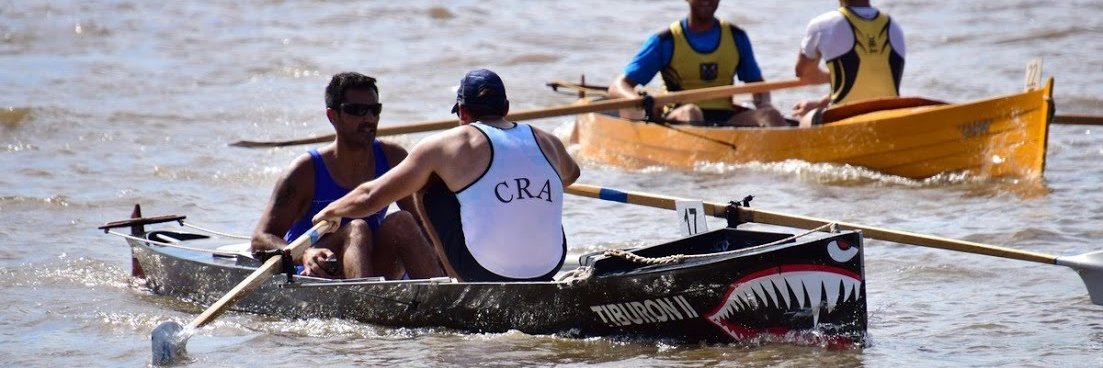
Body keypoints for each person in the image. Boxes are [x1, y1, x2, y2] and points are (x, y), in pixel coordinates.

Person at [313, 69, 581, 282]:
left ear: (462, 112)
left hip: (485, 272)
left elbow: (371, 196)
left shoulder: (443, 145)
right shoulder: (548, 141)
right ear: (506, 107)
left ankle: (455, 285)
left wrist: (331, 211)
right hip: (549, 266)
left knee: (428, 186)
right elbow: (570, 175)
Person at [251, 72, 443, 280]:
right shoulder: (303, 172)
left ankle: (445, 300)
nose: (369, 118)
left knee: (403, 222)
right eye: (357, 111)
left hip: (372, 267)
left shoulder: (393, 159)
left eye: (374, 110)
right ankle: (364, 304)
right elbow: (260, 239)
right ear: (332, 116)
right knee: (357, 228)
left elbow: (426, 224)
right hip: (316, 270)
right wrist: (304, 254)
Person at [607, 0, 785, 127]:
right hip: (680, 116)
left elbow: (758, 86)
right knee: (692, 112)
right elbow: (617, 86)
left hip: (726, 120)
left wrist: (764, 103)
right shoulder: (665, 41)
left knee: (770, 115)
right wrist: (639, 101)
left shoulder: (736, 37)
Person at [792, 0, 905, 127]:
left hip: (844, 119)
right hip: (890, 116)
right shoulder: (894, 26)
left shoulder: (821, 25)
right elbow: (868, 81)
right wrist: (820, 103)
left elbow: (804, 74)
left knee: (804, 119)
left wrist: (833, 76)